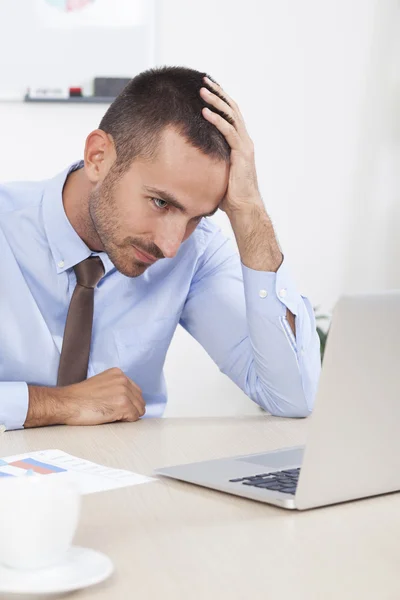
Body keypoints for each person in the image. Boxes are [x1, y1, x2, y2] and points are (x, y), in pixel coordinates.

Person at [0, 66, 321, 431]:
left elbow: (292, 396)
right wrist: (57, 405)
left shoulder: (196, 252)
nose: (170, 246)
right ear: (98, 157)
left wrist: (249, 210)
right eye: (160, 203)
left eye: (196, 216)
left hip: (128, 474)